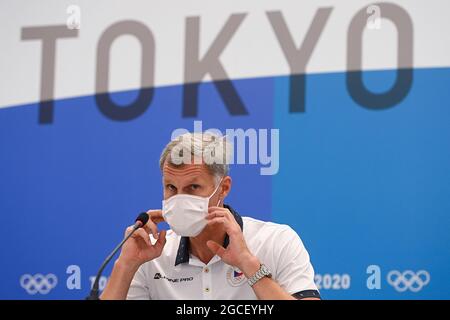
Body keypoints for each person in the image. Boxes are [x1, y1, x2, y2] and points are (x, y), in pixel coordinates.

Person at [101, 132, 320, 300]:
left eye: (193, 187)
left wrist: (249, 264)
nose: (179, 199)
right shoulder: (152, 254)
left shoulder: (276, 240)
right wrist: (126, 265)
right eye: (170, 187)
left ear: (223, 188)